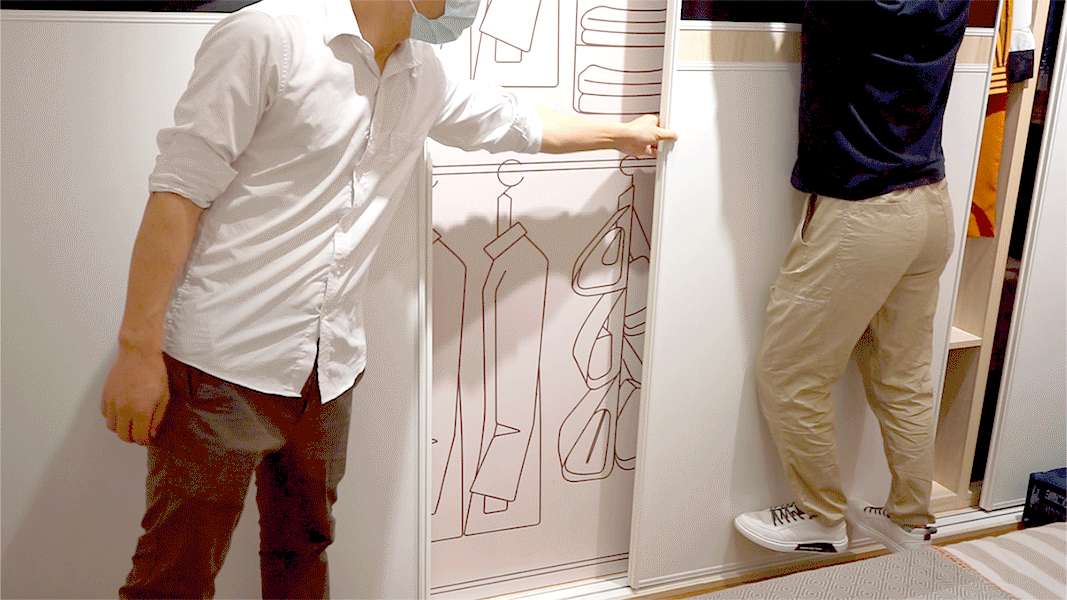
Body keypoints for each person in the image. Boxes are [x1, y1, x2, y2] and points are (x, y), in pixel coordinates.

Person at [100, 0, 676, 597]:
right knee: (174, 577)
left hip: (328, 372)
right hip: (221, 367)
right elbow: (178, 192)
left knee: (303, 551)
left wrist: (627, 134)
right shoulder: (267, 36)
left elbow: (519, 122)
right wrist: (137, 350)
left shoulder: (422, 75)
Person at [733, 0, 969, 555]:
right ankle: (911, 520)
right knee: (903, 376)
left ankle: (821, 519)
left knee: (789, 370)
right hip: (931, 202)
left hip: (864, 210)